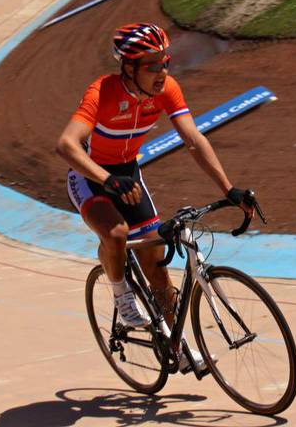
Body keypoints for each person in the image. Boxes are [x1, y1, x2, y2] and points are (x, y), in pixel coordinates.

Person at [56, 23, 254, 375]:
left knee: (159, 274)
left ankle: (176, 346)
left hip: (128, 175)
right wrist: (106, 179)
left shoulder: (167, 90)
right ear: (128, 68)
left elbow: (194, 139)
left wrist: (229, 189)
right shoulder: (101, 92)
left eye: (165, 62)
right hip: (90, 176)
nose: (163, 71)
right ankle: (121, 293)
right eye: (153, 65)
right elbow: (67, 145)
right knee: (116, 233)